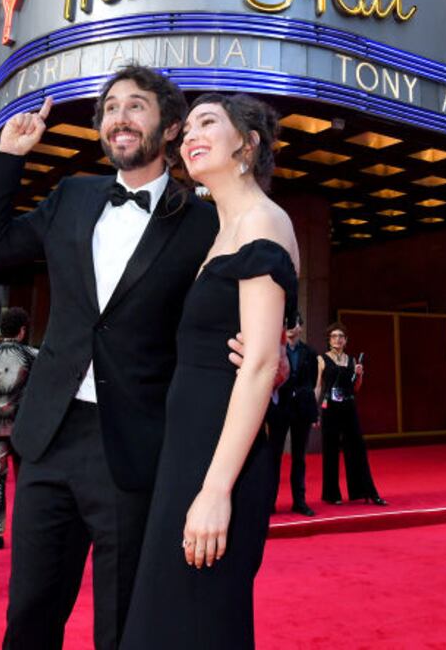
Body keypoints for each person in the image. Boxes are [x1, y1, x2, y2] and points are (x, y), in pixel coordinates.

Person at [0, 66, 220, 649]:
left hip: (135, 445)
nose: (119, 118)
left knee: (123, 620)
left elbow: (220, 320)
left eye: (135, 106)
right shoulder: (74, 195)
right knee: (30, 613)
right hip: (49, 436)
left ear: (171, 126)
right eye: (110, 108)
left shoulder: (202, 221)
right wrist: (7, 156)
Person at [121, 93, 298, 649]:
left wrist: (216, 489)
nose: (190, 134)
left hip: (220, 462)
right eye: (188, 126)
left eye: (208, 123)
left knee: (195, 623)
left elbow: (262, 362)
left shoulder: (264, 221)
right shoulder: (219, 231)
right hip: (187, 453)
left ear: (246, 145)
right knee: (166, 621)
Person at [0, 306, 36, 549]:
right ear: (22, 331)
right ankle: (27, 531)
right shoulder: (34, 355)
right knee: (26, 480)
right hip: (24, 423)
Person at [315, 323, 386, 506]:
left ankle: (363, 491)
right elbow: (317, 387)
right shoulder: (322, 359)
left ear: (346, 340)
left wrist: (360, 375)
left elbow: (355, 388)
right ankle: (331, 494)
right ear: (329, 340)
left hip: (348, 407)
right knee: (330, 450)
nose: (337, 339)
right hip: (329, 408)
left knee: (357, 448)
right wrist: (313, 412)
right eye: (334, 336)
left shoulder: (352, 361)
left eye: (341, 336)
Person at [266, 319, 318, 516]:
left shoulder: (310, 353)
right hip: (280, 408)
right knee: (274, 457)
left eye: (294, 324)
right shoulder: (275, 350)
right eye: (286, 324)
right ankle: (269, 502)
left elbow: (311, 382)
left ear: (301, 327)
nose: (290, 328)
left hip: (302, 410)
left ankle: (300, 501)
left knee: (299, 457)